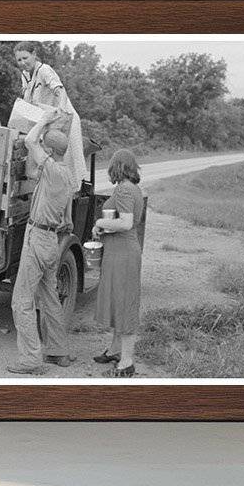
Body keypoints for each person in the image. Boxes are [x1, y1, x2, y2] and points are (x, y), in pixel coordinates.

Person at [7, 108, 77, 375]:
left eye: (45, 149)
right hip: (51, 241)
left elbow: (28, 141)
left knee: (21, 300)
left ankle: (30, 359)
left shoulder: (52, 170)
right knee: (49, 299)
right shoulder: (67, 175)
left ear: (49, 151)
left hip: (37, 238)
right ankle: (58, 351)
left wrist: (45, 120)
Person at [92, 148, 144, 378]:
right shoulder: (134, 189)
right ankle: (115, 350)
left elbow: (125, 223)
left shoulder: (123, 189)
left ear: (117, 167)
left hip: (123, 253)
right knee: (118, 301)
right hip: (121, 252)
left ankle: (127, 360)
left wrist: (100, 222)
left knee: (124, 305)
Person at [13, 42, 90, 192]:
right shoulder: (25, 75)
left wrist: (60, 109)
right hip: (48, 120)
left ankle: (69, 194)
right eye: (19, 60)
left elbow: (60, 91)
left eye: (25, 58)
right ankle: (47, 192)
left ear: (34, 54)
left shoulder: (45, 70)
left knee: (66, 160)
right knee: (46, 158)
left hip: (65, 120)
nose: (23, 63)